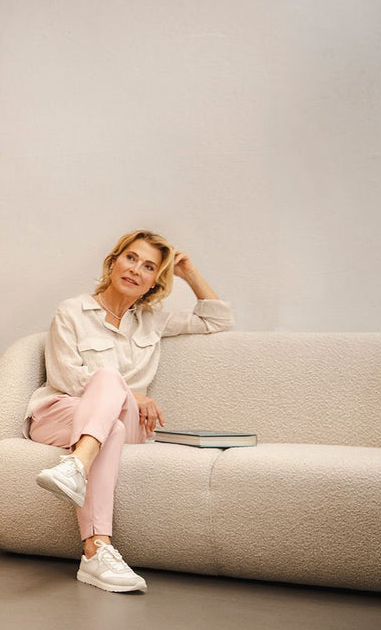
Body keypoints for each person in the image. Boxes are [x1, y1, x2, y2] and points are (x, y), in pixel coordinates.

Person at [28, 230, 232, 593]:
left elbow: (217, 321)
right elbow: (66, 378)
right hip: (60, 413)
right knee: (111, 420)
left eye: (149, 267)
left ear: (155, 283)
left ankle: (76, 466)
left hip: (127, 422)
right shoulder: (72, 311)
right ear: (113, 262)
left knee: (115, 410)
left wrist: (189, 272)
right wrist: (131, 394)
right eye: (131, 258)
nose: (136, 269)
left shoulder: (153, 320)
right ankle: (97, 550)